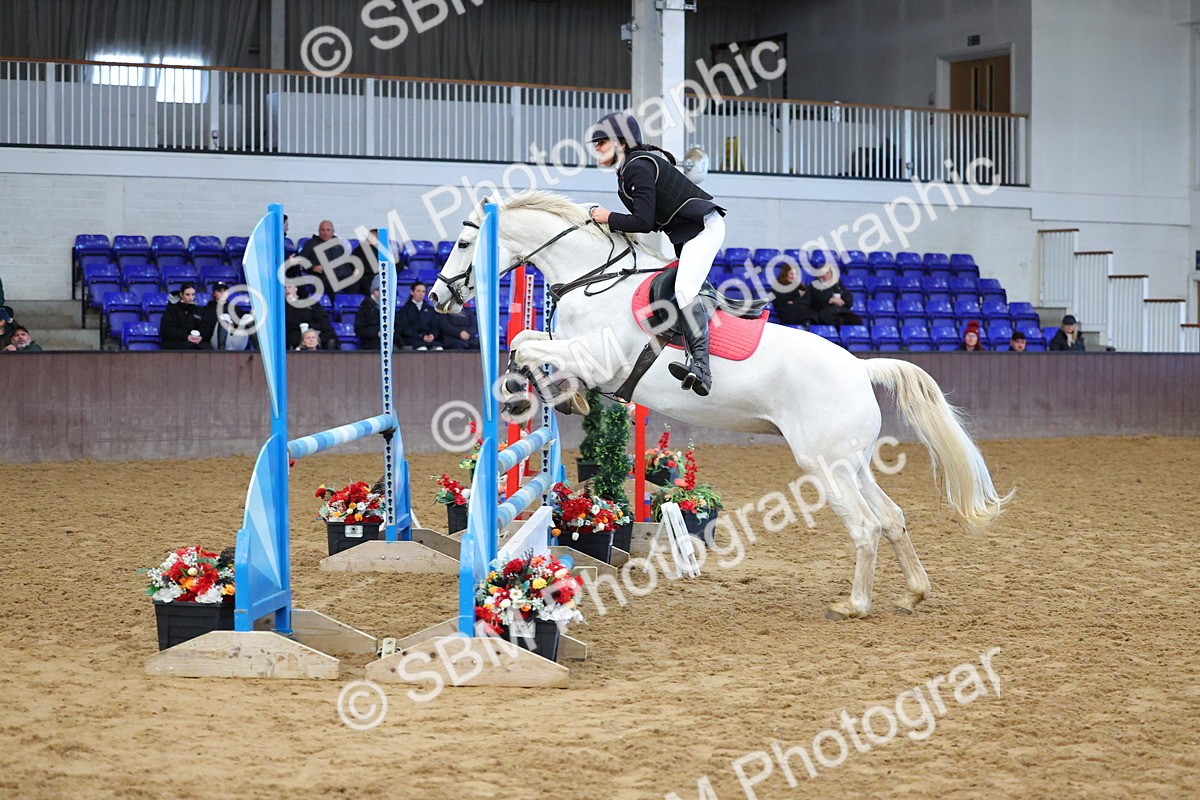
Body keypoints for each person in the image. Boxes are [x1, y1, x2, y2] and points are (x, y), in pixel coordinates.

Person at [587, 111, 725, 396]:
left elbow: (643, 222)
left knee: (685, 290)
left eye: (601, 142)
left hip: (704, 228)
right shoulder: (630, 169)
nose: (596, 149)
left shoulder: (637, 167)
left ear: (621, 143)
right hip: (688, 234)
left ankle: (701, 368)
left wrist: (606, 216)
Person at [297, 220, 351, 299]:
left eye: (328, 230)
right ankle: (333, 308)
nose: (325, 232)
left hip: (341, 275)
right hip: (322, 276)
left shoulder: (338, 244)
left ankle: (349, 308)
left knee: (357, 283)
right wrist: (313, 267)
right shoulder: (311, 243)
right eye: (323, 230)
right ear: (319, 231)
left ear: (333, 232)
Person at [283, 284, 339, 350]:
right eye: (284, 287)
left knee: (330, 339)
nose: (286, 289)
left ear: (296, 289)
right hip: (296, 333)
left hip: (315, 330)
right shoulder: (283, 306)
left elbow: (323, 320)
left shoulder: (311, 303)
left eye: (289, 287)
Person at [159, 283, 207, 350]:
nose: (190, 298)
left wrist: (200, 337)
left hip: (195, 343)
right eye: (187, 294)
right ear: (181, 294)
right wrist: (186, 336)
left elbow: (204, 327)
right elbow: (167, 330)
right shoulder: (172, 309)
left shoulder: (198, 310)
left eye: (193, 294)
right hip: (176, 343)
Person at [396, 281, 442, 350]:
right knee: (422, 349)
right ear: (412, 292)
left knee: (439, 349)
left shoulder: (430, 309)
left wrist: (432, 335)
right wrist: (421, 336)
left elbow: (435, 326)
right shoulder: (404, 310)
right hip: (412, 339)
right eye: (418, 291)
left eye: (423, 291)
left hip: (429, 340)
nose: (421, 294)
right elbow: (404, 329)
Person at [356, 275, 383, 351]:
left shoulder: (388, 307)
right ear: (373, 291)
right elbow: (359, 330)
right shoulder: (364, 307)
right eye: (378, 290)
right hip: (370, 344)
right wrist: (377, 333)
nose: (381, 293)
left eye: (383, 290)